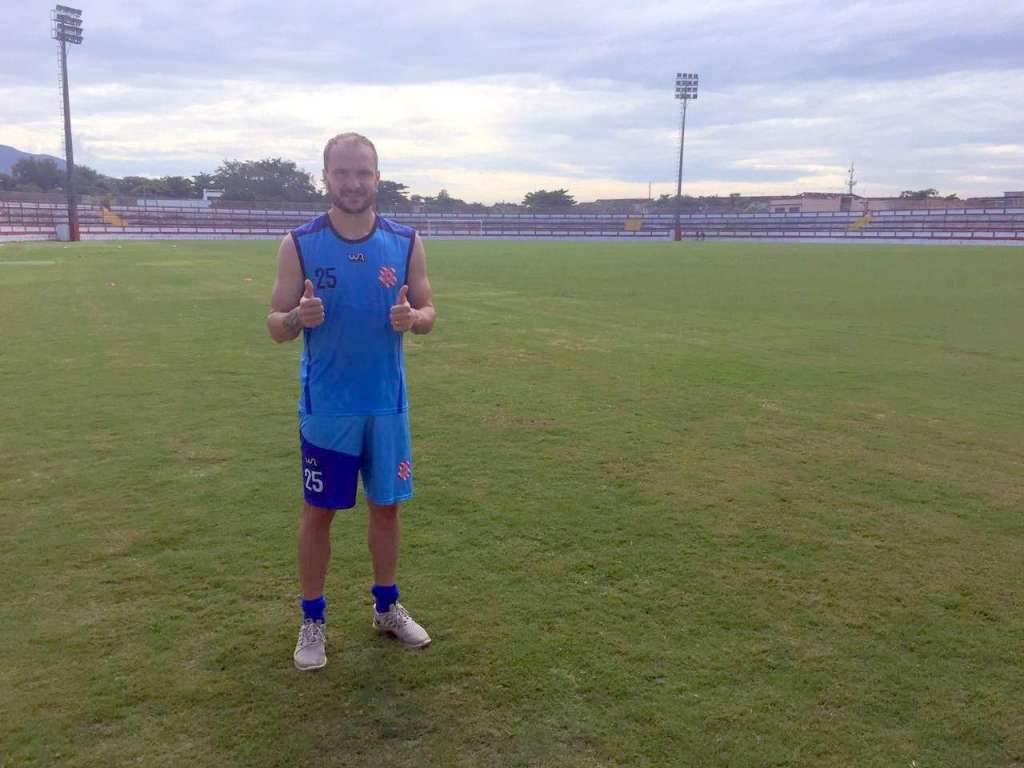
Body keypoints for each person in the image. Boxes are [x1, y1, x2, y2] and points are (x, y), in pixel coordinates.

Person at [266, 132, 436, 671]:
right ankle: (312, 619)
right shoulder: (299, 242)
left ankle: (386, 608)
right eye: (342, 173)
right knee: (319, 513)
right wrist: (298, 318)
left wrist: (415, 320)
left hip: (386, 406)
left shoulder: (406, 240)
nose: (353, 182)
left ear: (377, 177)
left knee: (386, 508)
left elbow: (430, 309)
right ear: (326, 177)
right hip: (329, 409)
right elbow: (275, 325)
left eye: (363, 173)